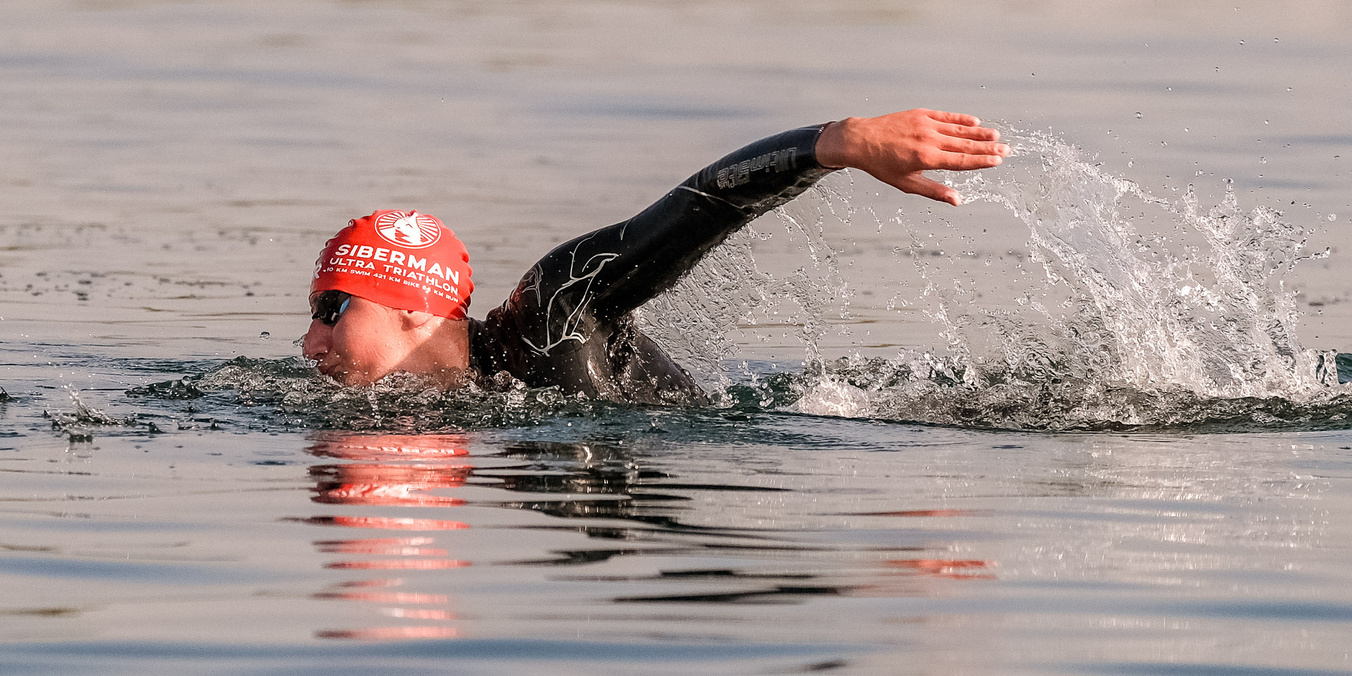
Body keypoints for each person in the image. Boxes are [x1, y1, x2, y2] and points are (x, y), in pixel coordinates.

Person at [301, 109, 1006, 399]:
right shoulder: (483, 407)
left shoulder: (554, 308)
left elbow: (691, 214)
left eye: (332, 308)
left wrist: (839, 142)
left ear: (416, 308)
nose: (310, 342)